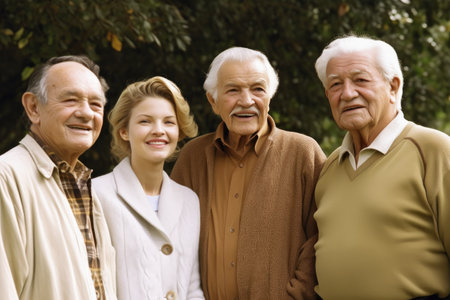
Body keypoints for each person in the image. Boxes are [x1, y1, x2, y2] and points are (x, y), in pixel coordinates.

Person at [171, 47, 326, 300]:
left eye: (258, 89)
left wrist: (297, 294)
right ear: (213, 100)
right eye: (233, 90)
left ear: (269, 97)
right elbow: (171, 237)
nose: (246, 101)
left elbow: (323, 234)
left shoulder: (303, 152)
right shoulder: (193, 157)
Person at [313, 35, 450, 299]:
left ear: (393, 86)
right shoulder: (330, 166)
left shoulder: (433, 150)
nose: (348, 93)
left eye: (361, 80)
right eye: (335, 84)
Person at [0, 55, 116, 299]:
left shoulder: (85, 186)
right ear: (33, 108)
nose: (86, 113)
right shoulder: (6, 177)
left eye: (96, 104)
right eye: (71, 100)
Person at [92, 76, 205, 300]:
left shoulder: (190, 200)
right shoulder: (96, 193)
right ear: (124, 131)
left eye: (169, 122)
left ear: (179, 132)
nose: (158, 130)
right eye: (145, 121)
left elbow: (192, 287)